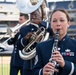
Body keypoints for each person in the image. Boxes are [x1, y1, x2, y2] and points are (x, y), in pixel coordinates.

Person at [33, 8, 76, 75]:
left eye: (62, 20)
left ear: (68, 23)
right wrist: (42, 72)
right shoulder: (41, 46)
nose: (58, 24)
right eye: (54, 21)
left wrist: (64, 64)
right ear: (50, 24)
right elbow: (35, 71)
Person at [15, 9, 54, 75]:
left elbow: (54, 32)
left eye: (35, 14)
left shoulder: (45, 26)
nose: (33, 16)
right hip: (29, 65)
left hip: (44, 64)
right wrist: (25, 39)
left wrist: (41, 22)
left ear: (40, 15)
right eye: (31, 15)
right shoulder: (24, 29)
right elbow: (18, 46)